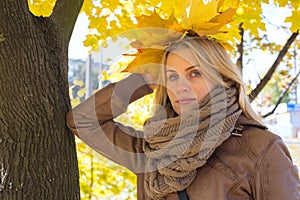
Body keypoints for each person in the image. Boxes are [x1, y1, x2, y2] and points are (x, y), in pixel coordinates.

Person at [66, 35, 300, 200]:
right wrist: (143, 81)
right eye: (172, 77)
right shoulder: (152, 150)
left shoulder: (260, 148)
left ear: (224, 79)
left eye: (195, 73)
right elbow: (82, 120)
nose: (181, 87)